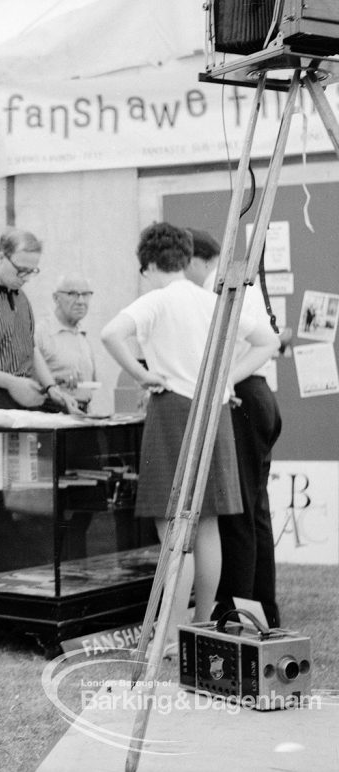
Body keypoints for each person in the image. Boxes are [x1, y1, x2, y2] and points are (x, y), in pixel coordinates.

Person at [101, 222, 277, 646]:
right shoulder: (211, 300)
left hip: (174, 411)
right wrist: (224, 380)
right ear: (184, 258)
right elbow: (267, 341)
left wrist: (143, 375)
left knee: (173, 532)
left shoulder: (155, 300)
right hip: (212, 411)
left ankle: (169, 632)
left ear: (147, 264)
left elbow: (110, 334)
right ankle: (198, 625)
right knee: (209, 524)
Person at [185, 228, 284, 627]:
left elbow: (267, 342)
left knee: (237, 514)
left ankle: (236, 611)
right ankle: (261, 611)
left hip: (244, 395)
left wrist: (223, 385)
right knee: (254, 513)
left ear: (196, 259)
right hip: (256, 396)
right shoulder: (238, 285)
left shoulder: (225, 287)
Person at [0, 227, 81, 415]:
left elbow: (32, 349)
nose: (26, 278)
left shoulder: (22, 298)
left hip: (26, 396)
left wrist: (51, 388)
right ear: (1, 257)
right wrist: (11, 382)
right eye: (21, 270)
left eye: (32, 271)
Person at [35, 272, 98, 412]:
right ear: (56, 298)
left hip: (81, 415)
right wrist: (55, 383)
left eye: (86, 294)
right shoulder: (41, 333)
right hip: (51, 416)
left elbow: (90, 385)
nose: (81, 301)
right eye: (72, 294)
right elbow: (25, 380)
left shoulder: (82, 336)